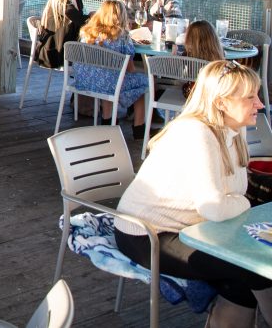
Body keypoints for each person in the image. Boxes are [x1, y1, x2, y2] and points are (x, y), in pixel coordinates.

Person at [114, 61, 272, 326]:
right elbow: (214, 208)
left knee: (245, 275)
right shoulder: (196, 133)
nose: (260, 104)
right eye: (250, 97)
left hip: (196, 229)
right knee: (254, 269)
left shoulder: (234, 128)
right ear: (221, 103)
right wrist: (242, 203)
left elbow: (229, 198)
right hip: (147, 235)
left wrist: (233, 202)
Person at [76, 0, 151, 136]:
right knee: (144, 83)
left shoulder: (86, 33)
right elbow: (130, 68)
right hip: (107, 84)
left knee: (108, 76)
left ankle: (107, 120)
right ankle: (139, 128)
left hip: (85, 82)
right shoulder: (122, 37)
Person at [34, 0, 90, 70]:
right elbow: (82, 21)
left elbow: (82, 22)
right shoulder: (61, 0)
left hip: (69, 46)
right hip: (55, 52)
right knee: (96, 55)